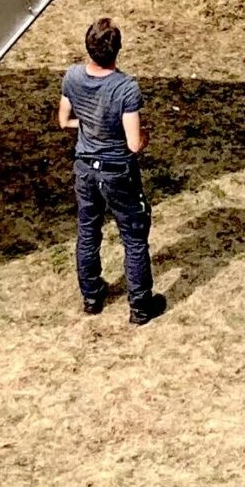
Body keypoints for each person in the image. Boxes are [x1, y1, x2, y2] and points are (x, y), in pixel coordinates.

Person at [57, 16, 165, 324]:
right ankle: (140, 305)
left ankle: (91, 296)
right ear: (118, 49)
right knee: (134, 237)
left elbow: (64, 120)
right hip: (118, 172)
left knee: (88, 230)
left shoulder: (72, 77)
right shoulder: (126, 89)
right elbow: (133, 143)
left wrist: (88, 124)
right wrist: (145, 136)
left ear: (88, 47)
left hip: (84, 169)